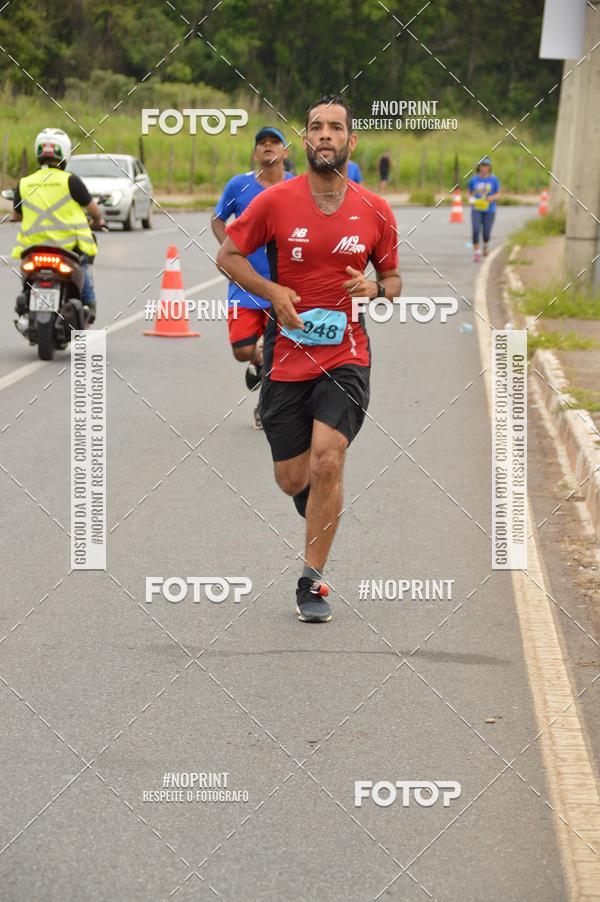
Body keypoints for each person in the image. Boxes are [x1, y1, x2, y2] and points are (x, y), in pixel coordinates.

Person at [217, 95, 401, 623]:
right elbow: (227, 255)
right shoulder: (275, 201)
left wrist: (375, 288)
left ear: (351, 141)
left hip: (346, 355)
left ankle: (312, 580)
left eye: (335, 128)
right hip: (285, 357)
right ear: (306, 140)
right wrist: (273, 292)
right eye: (316, 128)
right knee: (292, 477)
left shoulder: (375, 209)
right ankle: (318, 504)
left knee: (328, 459)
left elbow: (394, 279)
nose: (325, 135)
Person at [212, 127, 293, 429]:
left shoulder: (298, 186)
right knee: (243, 349)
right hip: (245, 284)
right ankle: (258, 363)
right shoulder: (239, 185)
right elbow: (218, 219)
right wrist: (229, 250)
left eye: (275, 142)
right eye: (262, 144)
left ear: (285, 152)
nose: (268, 147)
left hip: (285, 287)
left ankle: (266, 406)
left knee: (281, 352)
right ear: (255, 153)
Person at [11, 128, 105, 323]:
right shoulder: (71, 181)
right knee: (84, 262)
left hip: (33, 249)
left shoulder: (24, 183)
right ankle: (89, 303)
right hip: (67, 249)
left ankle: (25, 297)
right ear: (65, 152)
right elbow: (94, 210)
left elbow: (16, 215)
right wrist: (98, 222)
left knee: (27, 276)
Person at [467, 157, 500, 262]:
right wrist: (470, 198)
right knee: (476, 230)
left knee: (486, 233)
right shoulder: (474, 179)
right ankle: (477, 252)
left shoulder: (494, 180)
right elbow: (469, 192)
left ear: (489, 168)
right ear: (479, 167)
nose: (484, 168)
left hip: (490, 210)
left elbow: (498, 194)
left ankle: (485, 245)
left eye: (486, 166)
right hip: (477, 209)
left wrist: (492, 198)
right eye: (482, 166)